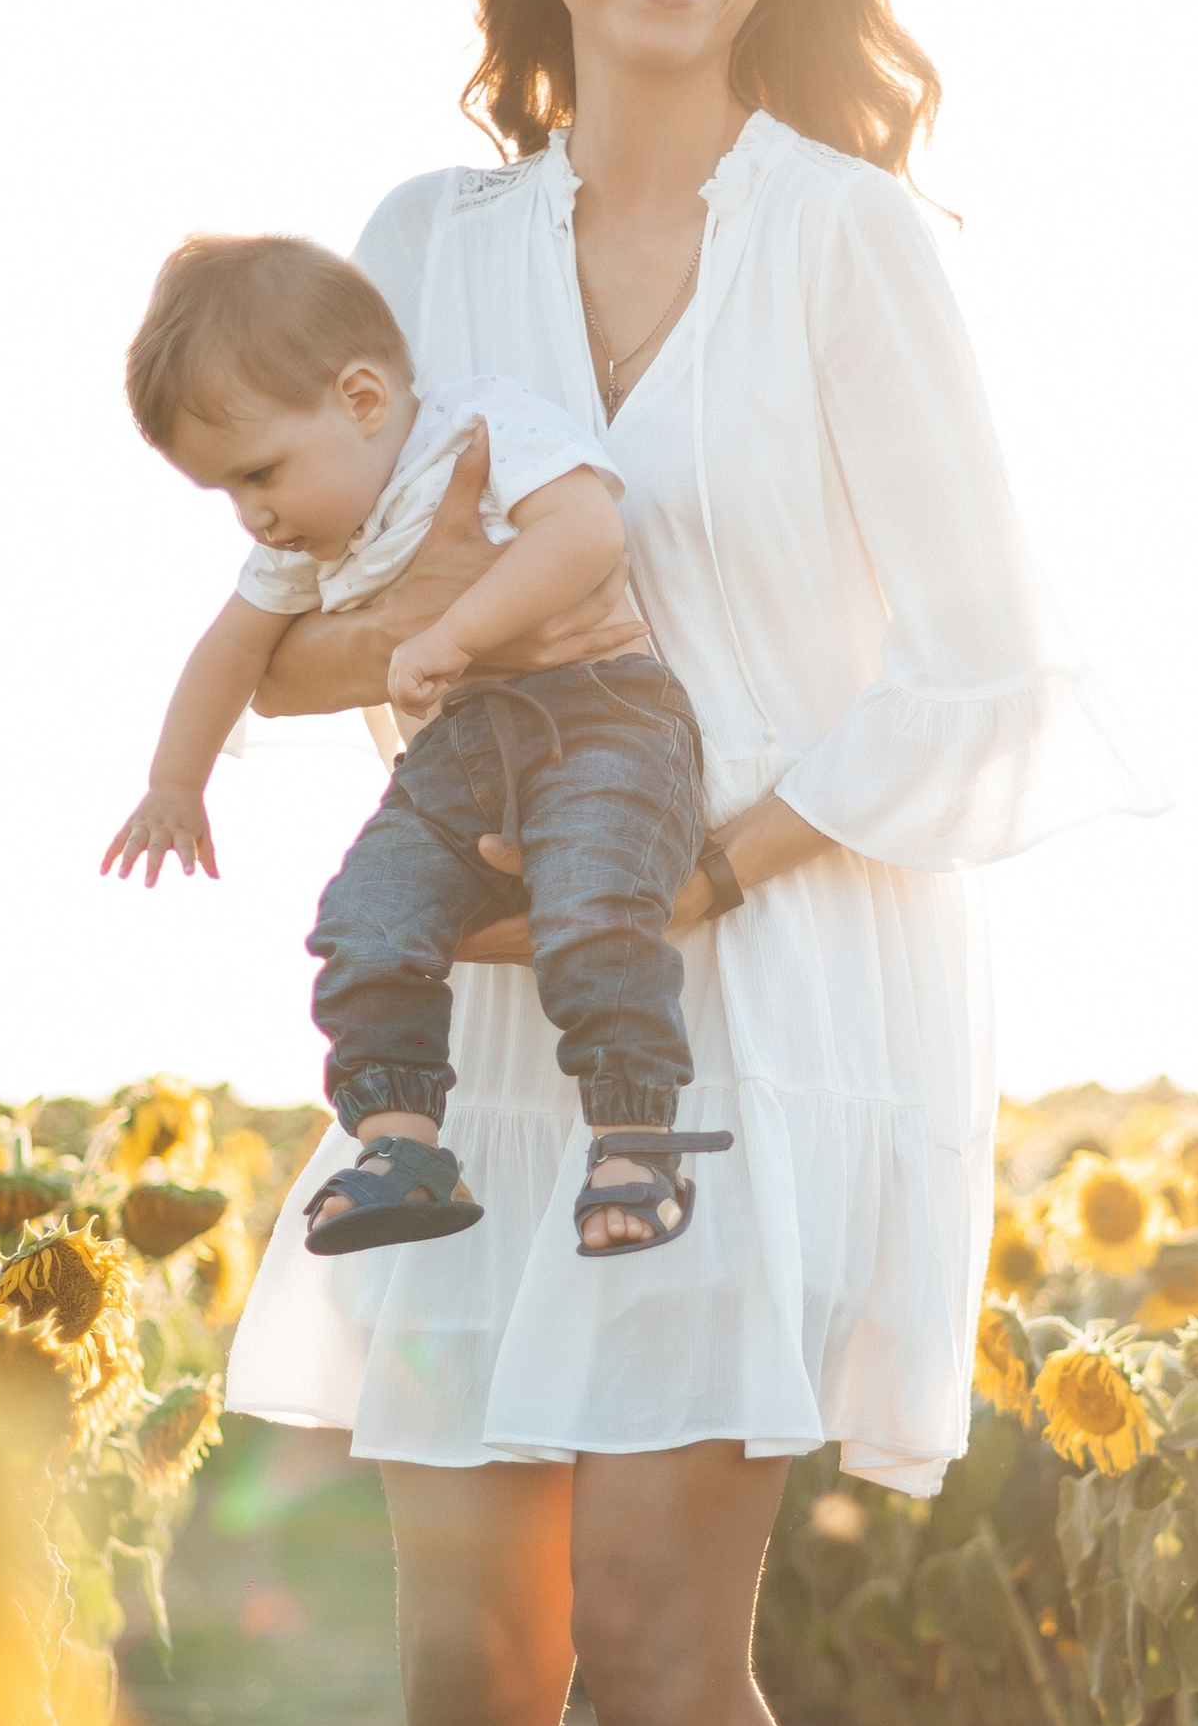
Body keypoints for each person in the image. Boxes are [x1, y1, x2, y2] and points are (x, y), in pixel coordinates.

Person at [226, 0, 1161, 1726]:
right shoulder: (419, 245)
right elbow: (287, 622)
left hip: (756, 993)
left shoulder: (850, 242)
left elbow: (987, 668)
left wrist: (696, 871)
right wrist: (430, 686)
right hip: (490, 1014)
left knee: (656, 1641)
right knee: (459, 1675)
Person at [101, 237, 728, 1263]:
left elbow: (585, 533)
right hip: (460, 754)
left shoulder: (478, 427)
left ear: (360, 399)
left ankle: (634, 1138)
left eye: (260, 473)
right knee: (366, 920)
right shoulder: (304, 539)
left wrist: (454, 633)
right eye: (226, 494)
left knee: (594, 913)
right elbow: (233, 652)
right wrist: (176, 782)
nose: (254, 514)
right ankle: (401, 1145)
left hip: (602, 716)